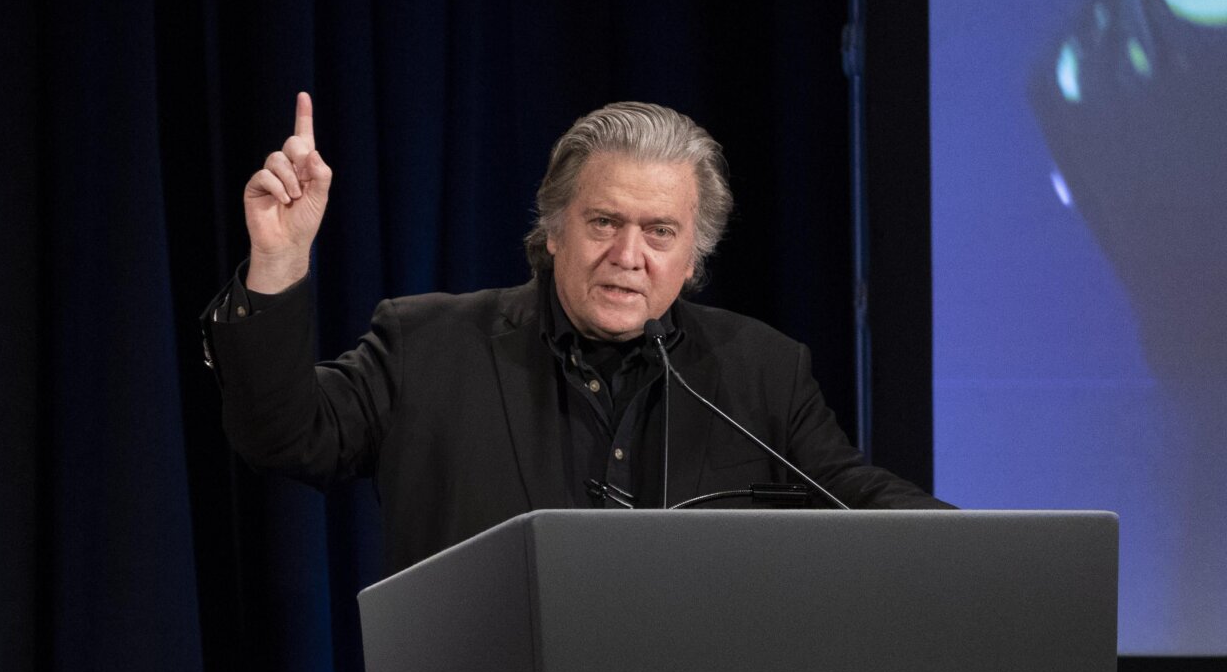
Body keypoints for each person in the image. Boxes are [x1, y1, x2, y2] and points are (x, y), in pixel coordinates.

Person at [203, 95, 946, 574]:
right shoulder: (427, 345)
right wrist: (278, 259)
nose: (629, 256)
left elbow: (859, 500)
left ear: (693, 259)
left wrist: (1016, 559)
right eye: (603, 222)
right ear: (555, 230)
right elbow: (282, 434)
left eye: (660, 231)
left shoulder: (760, 372)